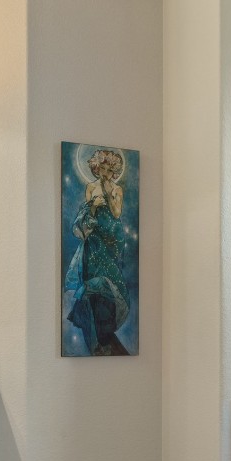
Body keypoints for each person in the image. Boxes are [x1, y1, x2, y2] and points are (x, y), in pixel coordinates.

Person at [64, 149, 130, 355]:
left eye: (109, 169)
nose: (105, 173)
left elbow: (117, 213)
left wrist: (109, 197)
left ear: (114, 171)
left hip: (109, 243)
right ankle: (96, 336)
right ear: (96, 168)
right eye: (102, 168)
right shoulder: (91, 187)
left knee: (108, 285)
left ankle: (105, 333)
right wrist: (93, 204)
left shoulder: (117, 190)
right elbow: (84, 216)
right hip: (93, 243)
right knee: (92, 287)